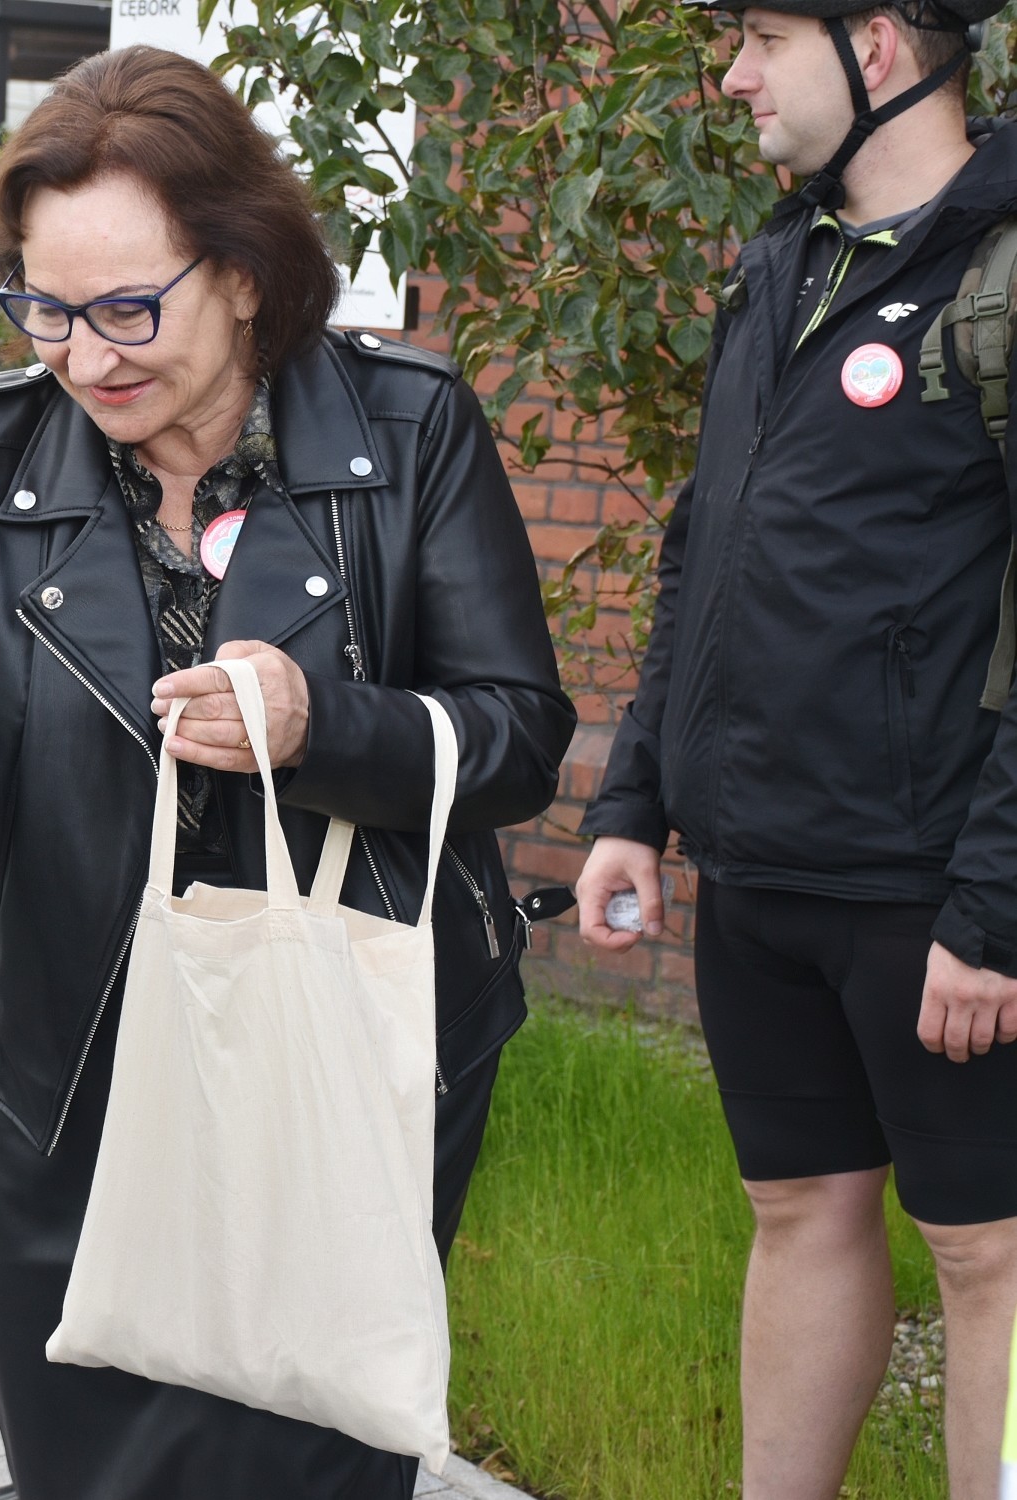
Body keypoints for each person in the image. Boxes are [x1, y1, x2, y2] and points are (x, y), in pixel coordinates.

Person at [0, 46, 575, 1496]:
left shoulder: (410, 428)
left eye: (127, 308)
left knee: (309, 1452)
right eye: (46, 308)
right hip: (69, 1054)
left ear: (240, 273)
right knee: (89, 1454)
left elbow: (516, 737)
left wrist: (321, 728)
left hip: (342, 1055)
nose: (85, 356)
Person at [575, 2, 1017, 1494]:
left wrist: (996, 911)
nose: (734, 74)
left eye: (762, 36)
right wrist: (634, 800)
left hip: (934, 898)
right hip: (759, 871)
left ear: (875, 46)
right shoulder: (785, 262)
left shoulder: (999, 270)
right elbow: (701, 550)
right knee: (800, 1211)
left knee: (988, 1255)